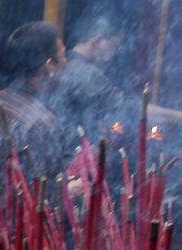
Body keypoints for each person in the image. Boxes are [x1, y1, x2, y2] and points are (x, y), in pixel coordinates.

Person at [50, 11, 182, 154]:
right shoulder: (85, 73)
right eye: (114, 45)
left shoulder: (70, 65)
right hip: (73, 160)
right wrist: (177, 116)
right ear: (98, 41)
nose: (115, 53)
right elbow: (129, 109)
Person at [0, 21, 67, 185]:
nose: (66, 62)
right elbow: (49, 196)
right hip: (20, 210)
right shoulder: (42, 122)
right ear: (50, 66)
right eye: (63, 56)